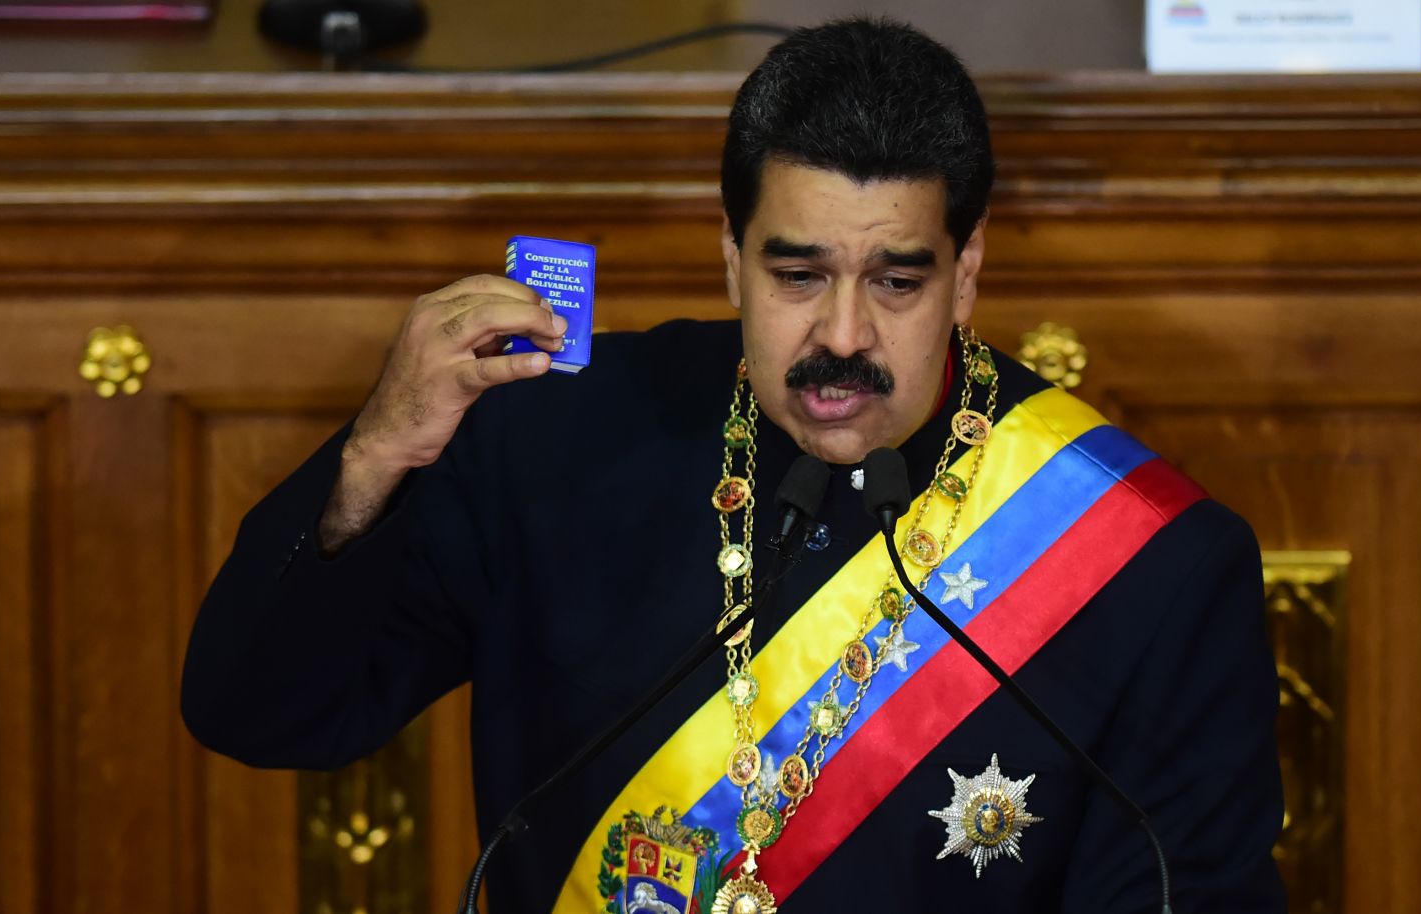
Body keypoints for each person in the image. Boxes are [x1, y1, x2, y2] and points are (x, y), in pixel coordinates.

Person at [181, 17, 1286, 913]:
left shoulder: (1151, 564)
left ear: (968, 270)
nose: (845, 336)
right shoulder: (553, 441)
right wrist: (377, 454)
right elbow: (260, 711)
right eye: (798, 274)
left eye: (898, 281)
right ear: (730, 255)